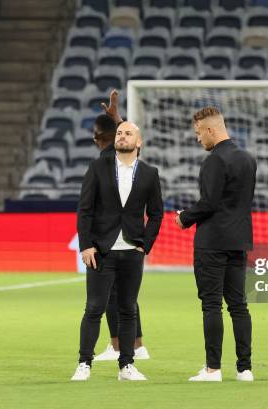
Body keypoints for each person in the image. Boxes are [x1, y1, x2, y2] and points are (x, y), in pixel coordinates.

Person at [73, 121, 163, 381]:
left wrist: (145, 244)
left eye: (129, 133)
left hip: (132, 252)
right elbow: (85, 209)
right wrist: (86, 245)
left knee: (127, 309)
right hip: (102, 251)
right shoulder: (97, 167)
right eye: (120, 133)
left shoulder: (149, 173)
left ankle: (126, 365)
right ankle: (84, 364)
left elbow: (156, 213)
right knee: (94, 308)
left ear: (139, 142)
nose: (122, 136)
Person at [175, 106, 256, 382]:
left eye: (199, 133)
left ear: (211, 130)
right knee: (239, 305)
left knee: (211, 305)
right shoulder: (247, 159)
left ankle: (213, 369)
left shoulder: (214, 161)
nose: (198, 139)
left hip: (212, 242)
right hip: (239, 240)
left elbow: (208, 203)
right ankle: (245, 369)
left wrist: (184, 217)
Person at [91, 90, 150, 361]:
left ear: (97, 137)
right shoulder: (123, 160)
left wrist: (117, 120)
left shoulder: (105, 163)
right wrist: (117, 118)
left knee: (112, 295)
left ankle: (118, 347)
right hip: (128, 241)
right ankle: (137, 345)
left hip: (111, 240)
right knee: (126, 295)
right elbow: (131, 138)